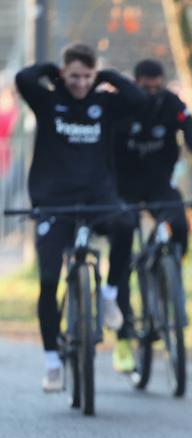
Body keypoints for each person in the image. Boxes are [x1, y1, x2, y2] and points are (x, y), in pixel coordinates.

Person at [15, 43, 143, 392]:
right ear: (63, 73)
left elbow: (136, 99)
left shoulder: (104, 103)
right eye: (75, 76)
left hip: (97, 198)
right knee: (47, 281)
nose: (82, 83)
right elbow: (23, 78)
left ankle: (109, 295)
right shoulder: (47, 101)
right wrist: (53, 73)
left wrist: (105, 76)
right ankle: (52, 363)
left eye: (88, 76)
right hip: (53, 202)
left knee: (125, 224)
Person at [111, 59, 192, 373]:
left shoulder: (173, 105)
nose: (151, 93)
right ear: (134, 84)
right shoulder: (120, 106)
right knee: (121, 248)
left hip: (157, 184)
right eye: (144, 87)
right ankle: (123, 335)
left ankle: (164, 269)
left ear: (164, 83)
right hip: (121, 186)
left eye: (156, 86)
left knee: (178, 222)